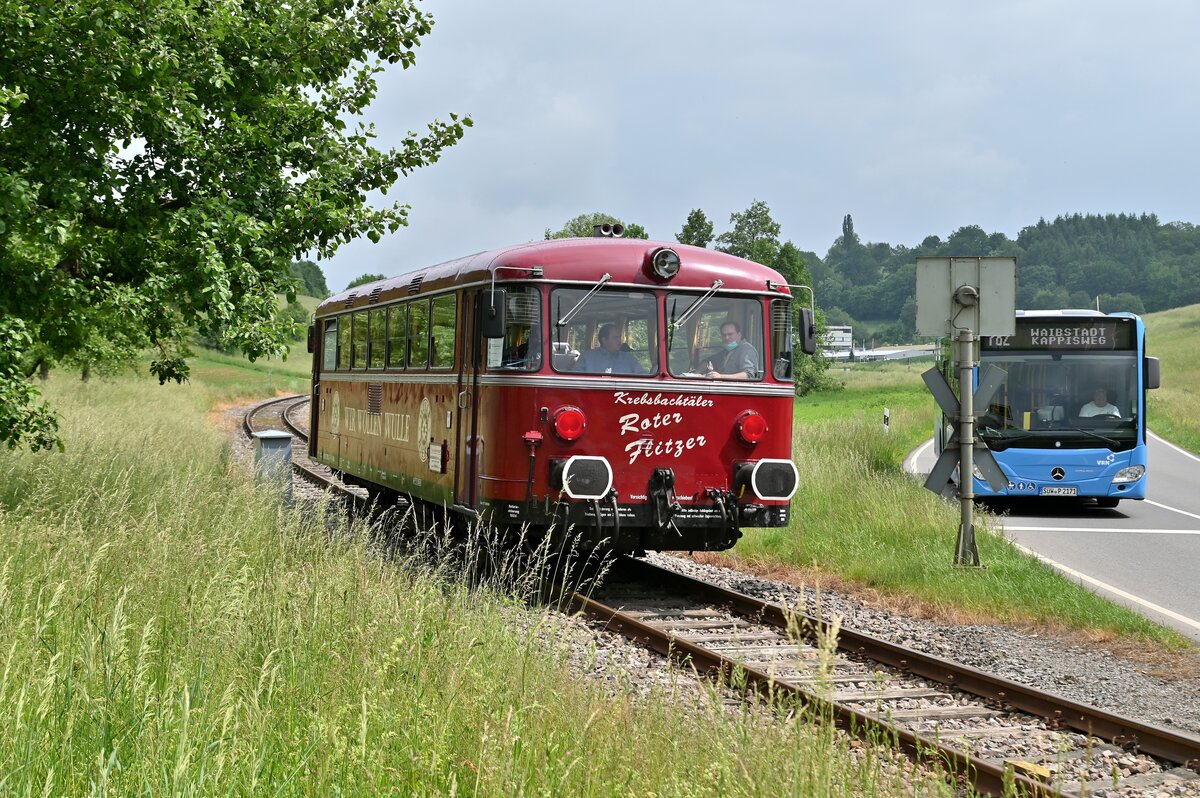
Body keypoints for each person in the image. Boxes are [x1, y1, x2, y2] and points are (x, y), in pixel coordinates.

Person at [574, 323, 645, 374]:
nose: (619, 341)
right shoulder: (586, 358)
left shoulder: (629, 359)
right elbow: (575, 381)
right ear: (604, 340)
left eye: (619, 337)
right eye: (615, 337)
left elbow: (644, 378)